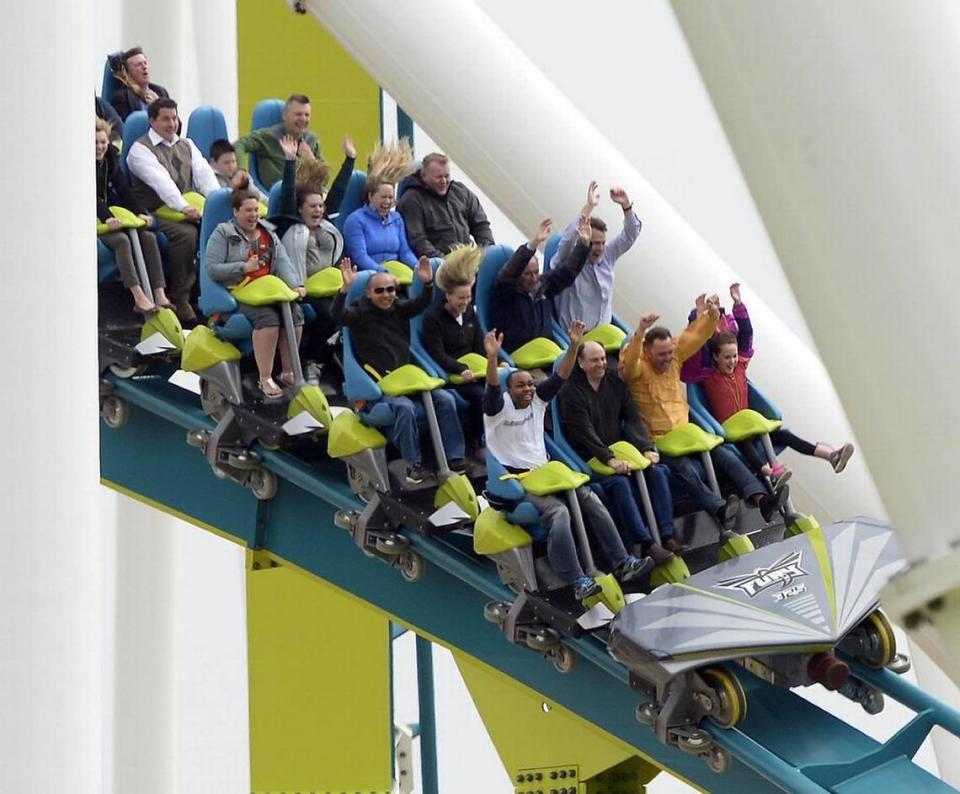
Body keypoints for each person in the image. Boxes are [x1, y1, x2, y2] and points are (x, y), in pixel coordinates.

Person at [483, 322, 653, 600]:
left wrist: (574, 346)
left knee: (591, 500)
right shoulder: (497, 411)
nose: (527, 389)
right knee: (559, 513)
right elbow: (492, 386)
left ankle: (623, 563)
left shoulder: (537, 401)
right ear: (508, 390)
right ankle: (576, 580)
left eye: (530, 384)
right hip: (520, 483)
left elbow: (561, 376)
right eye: (520, 386)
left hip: (549, 475)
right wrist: (492, 358)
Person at [619, 296, 789, 530]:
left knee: (726, 456)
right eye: (662, 354)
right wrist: (640, 331)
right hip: (661, 441)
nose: (669, 358)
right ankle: (719, 510)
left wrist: (711, 315)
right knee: (685, 470)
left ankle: (763, 500)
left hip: (689, 433)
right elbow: (627, 365)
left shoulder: (675, 357)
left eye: (670, 352)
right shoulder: (638, 370)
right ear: (648, 353)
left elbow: (694, 336)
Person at [686, 283, 854, 477]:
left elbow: (746, 335)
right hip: (731, 429)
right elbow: (697, 344)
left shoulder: (740, 365)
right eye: (727, 357)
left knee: (785, 435)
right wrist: (699, 315)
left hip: (752, 424)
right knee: (746, 444)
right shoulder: (709, 373)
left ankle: (831, 455)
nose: (732, 361)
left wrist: (738, 304)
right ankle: (770, 472)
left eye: (733, 356)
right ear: (715, 357)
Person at [332, 258, 467, 484]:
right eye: (380, 291)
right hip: (378, 387)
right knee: (404, 408)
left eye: (391, 290)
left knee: (446, 399)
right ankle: (412, 465)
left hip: (407, 381)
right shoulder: (359, 313)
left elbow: (420, 304)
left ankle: (455, 457)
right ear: (368, 294)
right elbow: (338, 314)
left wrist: (427, 284)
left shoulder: (397, 308)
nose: (386, 295)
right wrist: (345, 288)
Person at [558, 340, 685, 563]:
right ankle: (647, 544)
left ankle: (667, 535)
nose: (601, 364)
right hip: (589, 460)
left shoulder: (615, 383)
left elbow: (633, 418)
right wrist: (609, 458)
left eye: (603, 359)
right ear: (580, 363)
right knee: (620, 484)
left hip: (620, 455)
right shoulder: (571, 393)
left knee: (657, 471)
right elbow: (584, 433)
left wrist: (646, 448)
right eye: (595, 360)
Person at [205, 183, 305, 399]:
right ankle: (265, 377)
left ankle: (288, 371)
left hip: (269, 290)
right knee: (268, 319)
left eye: (256, 210)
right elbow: (212, 269)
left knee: (296, 313)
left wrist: (296, 285)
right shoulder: (223, 233)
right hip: (241, 292)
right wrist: (242, 267)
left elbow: (283, 262)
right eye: (248, 210)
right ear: (236, 212)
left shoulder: (268, 233)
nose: (254, 215)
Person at [127, 97, 220, 323]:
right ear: (152, 121)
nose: (171, 124)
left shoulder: (187, 145)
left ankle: (212, 295)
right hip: (156, 210)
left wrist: (216, 203)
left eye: (174, 118)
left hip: (190, 207)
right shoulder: (140, 150)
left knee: (217, 231)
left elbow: (205, 176)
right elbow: (161, 183)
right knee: (186, 235)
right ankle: (180, 297)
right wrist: (183, 207)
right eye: (165, 119)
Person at [271, 135, 356, 371]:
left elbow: (338, 191)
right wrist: (290, 161)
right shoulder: (290, 223)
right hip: (302, 288)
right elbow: (288, 191)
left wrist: (350, 160)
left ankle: (334, 354)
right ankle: (311, 357)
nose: (318, 209)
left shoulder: (326, 223)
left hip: (329, 286)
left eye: (320, 206)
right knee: (329, 315)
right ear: (300, 209)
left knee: (353, 310)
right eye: (312, 206)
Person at [96, 118, 171, 313]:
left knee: (147, 237)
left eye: (103, 142)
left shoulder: (110, 159)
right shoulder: (83, 167)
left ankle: (159, 293)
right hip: (97, 219)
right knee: (121, 240)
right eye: (95, 143)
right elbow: (92, 197)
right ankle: (138, 296)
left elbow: (123, 190)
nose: (100, 147)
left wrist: (139, 212)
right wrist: (107, 218)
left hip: (112, 216)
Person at [490, 217, 591, 354]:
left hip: (546, 353)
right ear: (519, 274)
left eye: (536, 272)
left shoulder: (543, 285)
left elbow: (568, 272)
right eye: (527, 274)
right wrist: (533, 244)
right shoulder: (506, 293)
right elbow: (509, 273)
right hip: (518, 357)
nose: (533, 278)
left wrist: (583, 245)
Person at [422, 245, 486, 454]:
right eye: (461, 298)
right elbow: (437, 353)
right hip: (454, 375)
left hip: (476, 371)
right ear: (448, 296)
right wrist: (459, 369)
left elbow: (479, 344)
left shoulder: (470, 314)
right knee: (481, 396)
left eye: (468, 298)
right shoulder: (434, 319)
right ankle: (477, 442)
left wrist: (492, 362)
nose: (465, 303)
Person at [554, 181, 642, 330]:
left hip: (604, 337)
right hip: (576, 340)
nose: (600, 248)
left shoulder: (607, 256)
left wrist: (626, 206)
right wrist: (588, 208)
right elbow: (568, 238)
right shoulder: (568, 260)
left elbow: (630, 235)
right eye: (595, 243)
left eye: (603, 243)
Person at [396, 153, 494, 257]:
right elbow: (418, 241)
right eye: (438, 177)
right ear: (423, 176)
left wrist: (488, 253)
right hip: (437, 265)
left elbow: (481, 225)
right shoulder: (411, 201)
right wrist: (445, 263)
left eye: (446, 176)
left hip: (467, 260)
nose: (443, 181)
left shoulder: (461, 192)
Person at [342, 141, 418, 272]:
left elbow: (405, 252)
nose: (388, 202)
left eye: (390, 197)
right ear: (371, 196)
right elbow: (360, 256)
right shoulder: (355, 220)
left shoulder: (396, 218)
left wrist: (417, 266)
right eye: (383, 197)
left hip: (397, 273)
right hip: (369, 274)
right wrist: (382, 271)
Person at [234, 94, 322, 189]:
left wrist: (311, 161)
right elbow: (239, 145)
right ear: (284, 116)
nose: (303, 119)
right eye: (298, 114)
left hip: (306, 197)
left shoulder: (311, 140)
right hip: (275, 196)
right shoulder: (268, 137)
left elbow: (324, 181)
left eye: (307, 115)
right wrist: (241, 170)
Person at [109, 46, 170, 120]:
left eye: (145, 63)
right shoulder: (122, 98)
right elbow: (124, 129)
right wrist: (157, 107)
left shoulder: (161, 92)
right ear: (128, 73)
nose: (144, 67)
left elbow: (178, 127)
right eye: (138, 65)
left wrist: (159, 103)